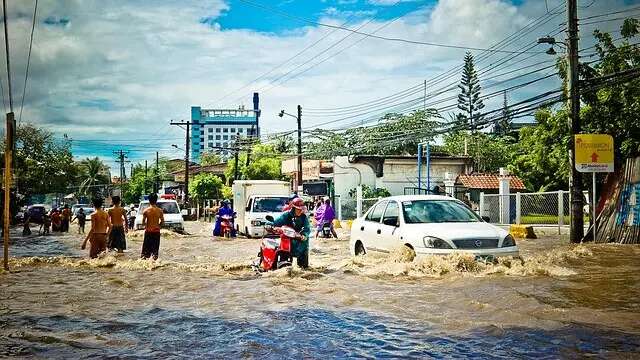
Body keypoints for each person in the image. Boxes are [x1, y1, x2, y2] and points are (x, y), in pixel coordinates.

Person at [268, 197, 311, 268]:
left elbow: (307, 228)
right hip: (287, 239)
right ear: (294, 208)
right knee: (284, 259)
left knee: (304, 267)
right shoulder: (286, 215)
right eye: (298, 209)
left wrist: (304, 235)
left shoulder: (304, 217)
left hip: (300, 239)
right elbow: (276, 222)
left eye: (301, 209)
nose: (300, 211)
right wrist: (269, 224)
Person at [141, 193, 164, 260]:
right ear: (156, 200)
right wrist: (158, 226)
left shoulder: (146, 211)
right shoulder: (160, 211)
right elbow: (162, 222)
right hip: (156, 232)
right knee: (155, 252)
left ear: (149, 200)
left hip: (148, 232)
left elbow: (143, 223)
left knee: (145, 254)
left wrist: (147, 226)